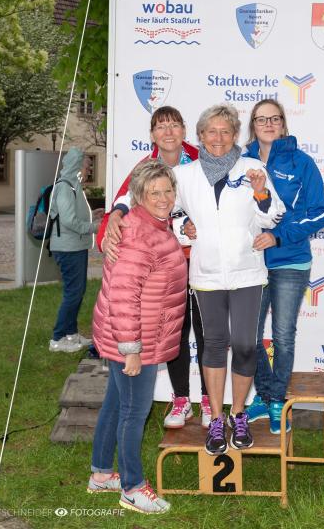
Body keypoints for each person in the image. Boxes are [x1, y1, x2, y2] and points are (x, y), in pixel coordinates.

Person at [173, 103, 284, 455]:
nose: (218, 138)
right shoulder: (184, 175)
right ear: (200, 135)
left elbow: (273, 216)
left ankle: (239, 414)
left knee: (247, 345)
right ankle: (217, 419)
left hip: (247, 271)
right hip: (206, 274)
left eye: (225, 131)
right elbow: (166, 210)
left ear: (235, 135)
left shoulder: (252, 168)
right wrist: (182, 225)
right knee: (214, 344)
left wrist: (262, 193)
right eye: (211, 131)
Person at [99, 106, 209, 430]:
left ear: (184, 130)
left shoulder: (202, 160)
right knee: (174, 330)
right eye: (161, 127)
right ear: (152, 134)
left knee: (206, 331)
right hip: (166, 266)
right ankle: (181, 399)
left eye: (174, 125)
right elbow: (121, 202)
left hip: (201, 259)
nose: (168, 132)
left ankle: (209, 400)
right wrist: (112, 225)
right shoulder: (144, 166)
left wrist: (198, 225)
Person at [88, 160, 187, 515]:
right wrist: (131, 349)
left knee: (116, 404)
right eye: (153, 192)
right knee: (134, 412)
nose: (163, 198)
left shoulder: (154, 224)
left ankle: (101, 474)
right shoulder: (138, 234)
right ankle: (132, 488)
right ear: (138, 196)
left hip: (134, 335)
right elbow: (124, 296)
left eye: (167, 190)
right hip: (133, 339)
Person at [243, 99, 324, 434]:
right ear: (253, 125)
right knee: (247, 337)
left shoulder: (301, 162)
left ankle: (278, 401)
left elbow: (320, 213)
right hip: (251, 262)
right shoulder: (241, 162)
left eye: (274, 118)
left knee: (282, 335)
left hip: (291, 261)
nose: (268, 124)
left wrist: (278, 236)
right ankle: (264, 394)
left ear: (283, 124)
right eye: (261, 119)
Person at [49, 148, 103, 353]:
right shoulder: (65, 187)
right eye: (87, 166)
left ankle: (70, 334)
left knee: (76, 292)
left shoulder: (74, 185)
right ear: (77, 166)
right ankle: (57, 338)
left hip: (74, 246)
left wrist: (93, 215)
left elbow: (74, 216)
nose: (89, 170)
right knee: (73, 293)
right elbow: (69, 221)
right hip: (68, 248)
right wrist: (95, 227)